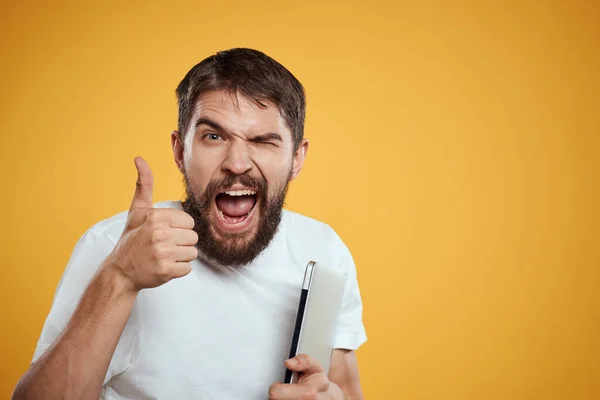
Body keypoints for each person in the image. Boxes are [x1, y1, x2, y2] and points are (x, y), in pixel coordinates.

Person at [12, 48, 367, 400]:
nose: (238, 163)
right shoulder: (112, 245)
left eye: (263, 141)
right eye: (214, 137)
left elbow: (345, 388)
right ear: (181, 152)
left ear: (296, 158)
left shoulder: (325, 249)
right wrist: (119, 277)